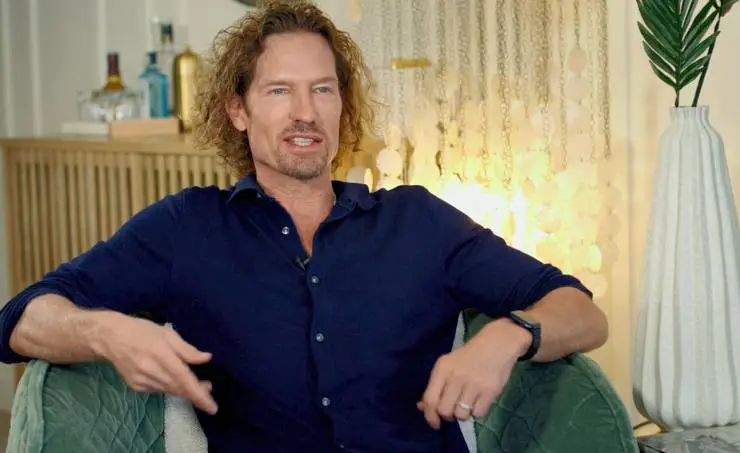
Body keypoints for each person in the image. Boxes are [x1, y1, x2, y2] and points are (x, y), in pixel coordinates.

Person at [0, 1, 608, 452]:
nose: (305, 113)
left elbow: (582, 312)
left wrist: (507, 336)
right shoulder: (187, 227)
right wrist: (108, 332)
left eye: (322, 89)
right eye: (278, 92)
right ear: (237, 110)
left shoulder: (418, 220)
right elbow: (21, 319)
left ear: (343, 104)